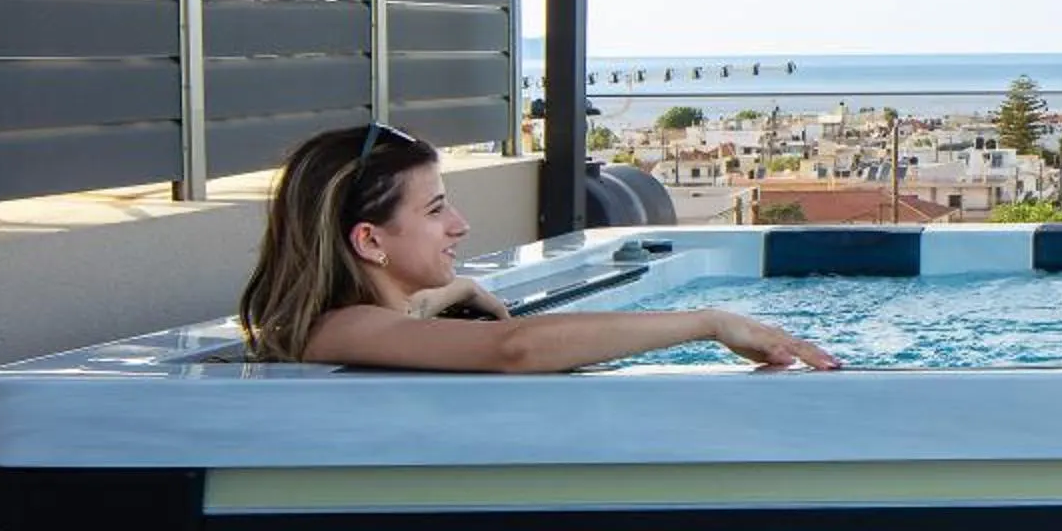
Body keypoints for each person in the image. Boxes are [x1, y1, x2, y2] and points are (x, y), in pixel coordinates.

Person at [238, 121, 838, 372]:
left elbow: (410, 318)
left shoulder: (366, 318)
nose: (460, 225)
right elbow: (515, 349)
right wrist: (708, 322)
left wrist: (458, 287)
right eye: (436, 209)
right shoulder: (334, 329)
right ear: (369, 240)